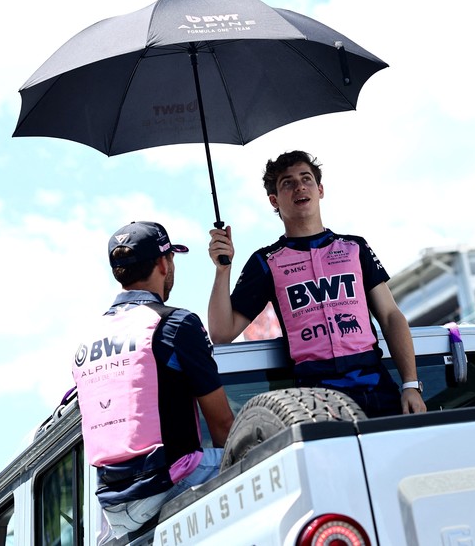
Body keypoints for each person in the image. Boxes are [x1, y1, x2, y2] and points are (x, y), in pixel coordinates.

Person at [207, 150, 426, 418]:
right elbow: (221, 333)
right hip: (315, 398)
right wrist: (222, 270)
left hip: (376, 384)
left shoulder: (355, 247)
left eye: (306, 178)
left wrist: (411, 385)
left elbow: (391, 316)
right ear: (274, 200)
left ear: (320, 189)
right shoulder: (266, 261)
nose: (299, 186)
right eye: (288, 182)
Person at [73, 221, 235, 543]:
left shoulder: (86, 339)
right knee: (274, 448)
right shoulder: (176, 323)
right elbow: (222, 425)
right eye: (171, 259)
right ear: (164, 263)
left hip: (112, 505)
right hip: (171, 482)